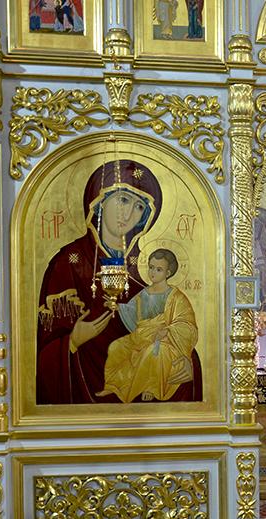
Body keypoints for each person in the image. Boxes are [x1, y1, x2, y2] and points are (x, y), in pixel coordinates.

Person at [35, 159, 203, 404]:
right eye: (123, 199)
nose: (129, 213)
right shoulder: (68, 263)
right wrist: (72, 341)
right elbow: (43, 352)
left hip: (147, 380)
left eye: (139, 207)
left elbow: (174, 332)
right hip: (81, 395)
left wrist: (187, 363)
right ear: (100, 201)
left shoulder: (147, 269)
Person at [97, 248, 198, 403]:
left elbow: (187, 324)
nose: (153, 272)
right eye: (151, 267)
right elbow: (133, 310)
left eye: (158, 269)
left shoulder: (176, 297)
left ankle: (150, 387)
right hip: (141, 336)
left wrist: (168, 330)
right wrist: (117, 307)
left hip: (165, 340)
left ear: (168, 273)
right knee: (115, 347)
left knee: (154, 352)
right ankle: (114, 386)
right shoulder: (144, 293)